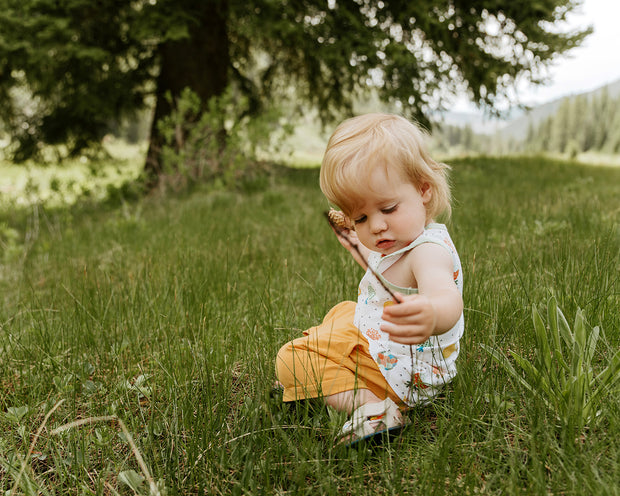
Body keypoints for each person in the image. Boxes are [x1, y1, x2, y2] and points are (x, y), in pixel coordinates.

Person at [275, 113, 464, 446]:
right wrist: (353, 237)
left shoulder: (427, 253)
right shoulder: (399, 238)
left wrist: (432, 314)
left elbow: (448, 299)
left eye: (388, 208)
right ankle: (340, 374)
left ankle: (373, 408)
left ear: (423, 190)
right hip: (393, 349)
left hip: (403, 373)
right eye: (361, 217)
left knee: (290, 359)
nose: (375, 226)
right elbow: (379, 272)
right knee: (343, 310)